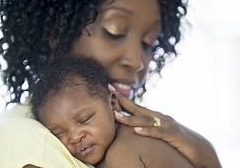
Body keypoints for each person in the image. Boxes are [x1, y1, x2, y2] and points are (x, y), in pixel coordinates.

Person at [0, 0, 221, 167]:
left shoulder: (128, 140)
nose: (138, 62)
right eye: (115, 31)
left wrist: (201, 150)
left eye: (148, 43)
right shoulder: (23, 139)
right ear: (56, 31)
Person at [30, 56, 193, 168]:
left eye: (85, 119)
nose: (74, 137)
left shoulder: (123, 151)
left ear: (113, 103)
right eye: (59, 133)